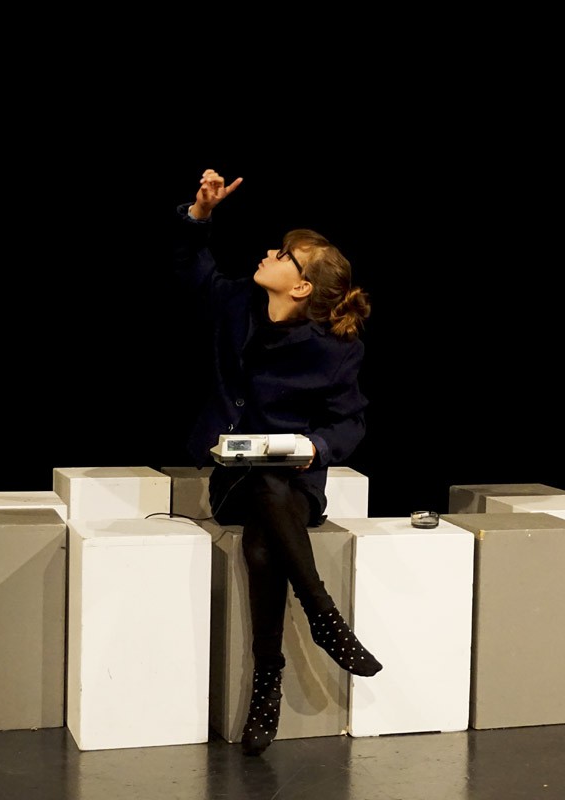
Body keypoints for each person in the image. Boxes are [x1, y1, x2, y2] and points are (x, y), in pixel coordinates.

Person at [172, 168, 382, 754]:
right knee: (263, 487)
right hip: (232, 483)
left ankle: (270, 676)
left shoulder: (336, 350)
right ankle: (322, 614)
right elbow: (189, 269)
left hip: (296, 488)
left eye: (285, 255)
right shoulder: (238, 303)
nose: (270, 253)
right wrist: (200, 215)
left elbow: (350, 423)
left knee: (266, 529)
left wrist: (316, 448)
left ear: (302, 287)